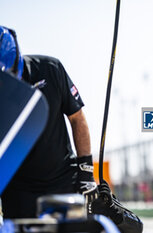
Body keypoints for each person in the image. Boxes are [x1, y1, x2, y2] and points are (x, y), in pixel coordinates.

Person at [0, 26, 98, 218]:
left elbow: (77, 118)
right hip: (18, 190)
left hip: (62, 181)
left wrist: (86, 172)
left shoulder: (50, 69)